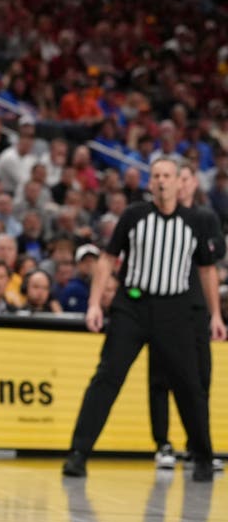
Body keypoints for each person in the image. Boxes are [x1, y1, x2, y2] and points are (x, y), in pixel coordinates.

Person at [63, 158, 225, 482]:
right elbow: (108, 259)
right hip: (132, 306)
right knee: (107, 377)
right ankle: (78, 454)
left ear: (180, 182)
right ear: (149, 183)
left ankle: (203, 456)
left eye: (167, 175)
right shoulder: (135, 215)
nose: (162, 181)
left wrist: (216, 315)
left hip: (175, 310)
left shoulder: (194, 221)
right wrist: (95, 304)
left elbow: (207, 271)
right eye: (156, 176)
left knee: (189, 385)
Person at [147, 163, 225, 472]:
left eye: (183, 178)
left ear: (191, 183)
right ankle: (162, 443)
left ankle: (199, 446)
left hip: (194, 309)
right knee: (160, 377)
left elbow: (212, 259)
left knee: (200, 379)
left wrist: (215, 313)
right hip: (162, 307)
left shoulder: (204, 218)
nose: (177, 183)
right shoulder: (157, 217)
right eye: (168, 177)